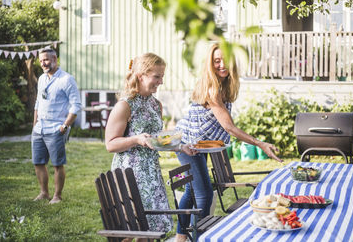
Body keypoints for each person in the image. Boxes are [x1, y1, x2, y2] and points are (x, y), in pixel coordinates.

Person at [174, 43, 283, 241]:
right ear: (210, 63)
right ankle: (199, 237)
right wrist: (260, 144)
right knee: (205, 195)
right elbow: (229, 127)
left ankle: (181, 238)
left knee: (191, 191)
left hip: (201, 145)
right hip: (187, 145)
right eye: (217, 61)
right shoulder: (211, 88)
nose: (222, 64)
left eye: (226, 60)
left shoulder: (223, 85)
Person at [105, 53, 195, 235]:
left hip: (150, 173)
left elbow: (157, 140)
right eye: (157, 76)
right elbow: (110, 144)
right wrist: (136, 139)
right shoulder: (124, 105)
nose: (161, 81)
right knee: (130, 230)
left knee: (149, 229)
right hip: (129, 174)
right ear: (141, 76)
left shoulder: (156, 105)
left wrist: (179, 146)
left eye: (162, 76)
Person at [32, 48, 81, 204]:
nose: (43, 63)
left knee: (57, 164)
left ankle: (57, 196)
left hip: (56, 128)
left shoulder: (67, 79)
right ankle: (44, 193)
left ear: (54, 58)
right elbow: (38, 103)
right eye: (41, 61)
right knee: (38, 162)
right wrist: (34, 124)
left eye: (46, 60)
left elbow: (76, 105)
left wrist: (65, 126)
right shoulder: (41, 79)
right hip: (39, 128)